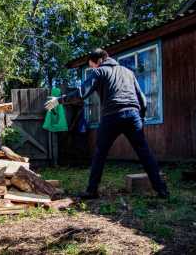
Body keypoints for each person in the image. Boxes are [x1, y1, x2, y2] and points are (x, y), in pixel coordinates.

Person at [45, 48, 169, 199]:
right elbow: (142, 99)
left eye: (92, 66)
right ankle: (162, 190)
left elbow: (82, 93)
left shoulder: (99, 72)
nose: (92, 69)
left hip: (112, 116)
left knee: (100, 153)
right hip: (133, 115)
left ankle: (92, 191)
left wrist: (59, 100)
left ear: (99, 61)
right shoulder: (128, 72)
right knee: (144, 152)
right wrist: (140, 119)